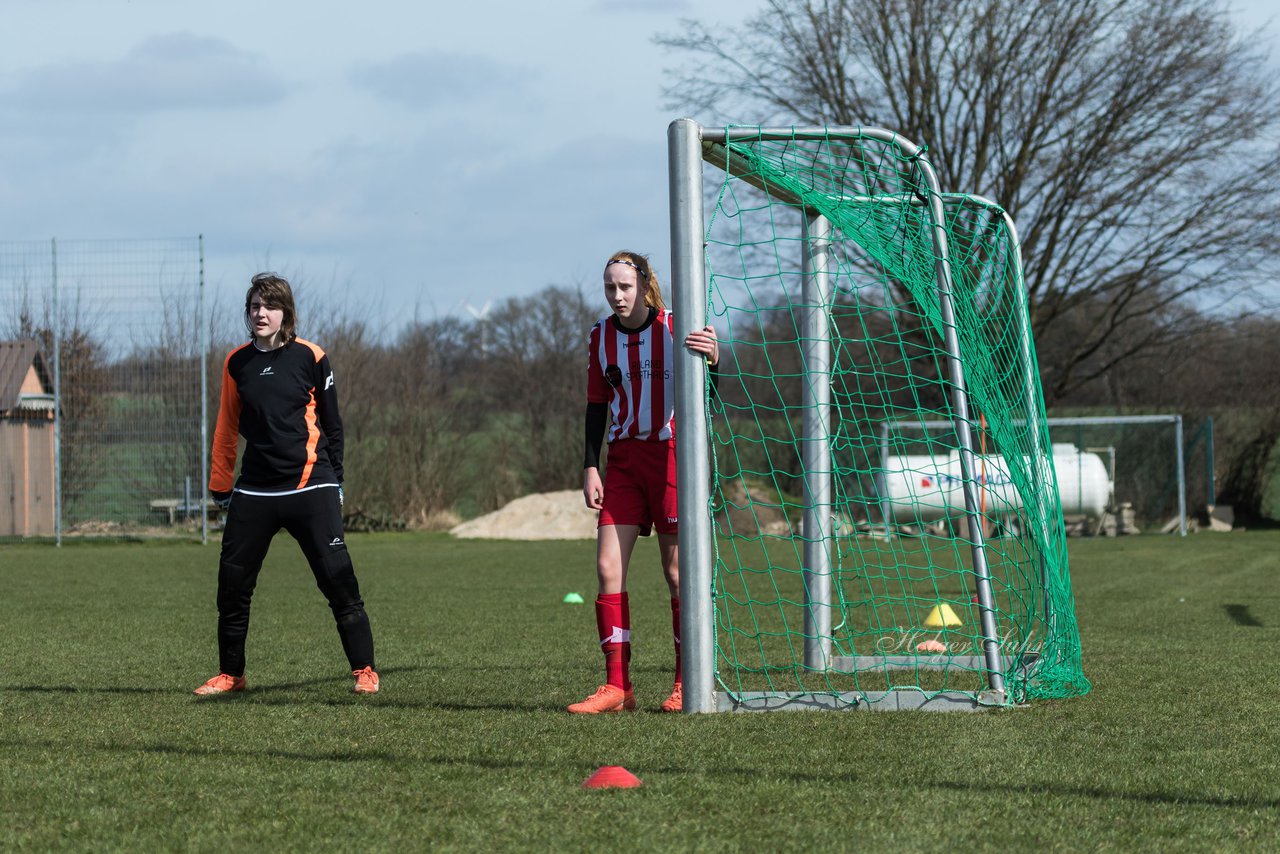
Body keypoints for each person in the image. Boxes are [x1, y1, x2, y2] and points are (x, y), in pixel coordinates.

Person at [194, 273, 379, 696]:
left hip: (311, 487)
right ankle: (231, 675)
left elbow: (333, 426)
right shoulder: (236, 363)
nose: (261, 313)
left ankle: (364, 670)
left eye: (269, 306)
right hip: (255, 492)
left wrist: (337, 482)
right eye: (255, 306)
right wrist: (221, 483)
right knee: (233, 587)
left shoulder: (312, 357)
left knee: (338, 581)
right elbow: (226, 427)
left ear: (286, 313)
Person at [568, 250, 718, 714]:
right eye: (610, 287)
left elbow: (710, 396)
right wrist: (591, 465)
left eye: (625, 287)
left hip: (673, 458)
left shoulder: (675, 327)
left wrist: (714, 362)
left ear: (643, 285)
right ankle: (618, 687)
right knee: (608, 568)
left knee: (677, 574)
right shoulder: (600, 336)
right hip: (625, 461)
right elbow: (596, 405)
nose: (617, 295)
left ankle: (684, 683)